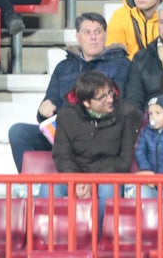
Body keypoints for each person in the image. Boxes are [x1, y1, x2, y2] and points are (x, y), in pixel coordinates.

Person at [7, 13, 129, 169]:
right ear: (78, 36)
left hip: (99, 133)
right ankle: (30, 186)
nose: (93, 37)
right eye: (87, 32)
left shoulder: (121, 64)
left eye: (98, 32)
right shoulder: (64, 67)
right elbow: (49, 103)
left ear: (105, 36)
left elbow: (119, 103)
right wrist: (45, 110)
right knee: (18, 133)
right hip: (64, 133)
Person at [50, 70, 142, 200]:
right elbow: (62, 156)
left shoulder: (127, 114)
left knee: (107, 188)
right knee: (49, 188)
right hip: (77, 175)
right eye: (102, 97)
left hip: (108, 176)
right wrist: (78, 180)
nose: (110, 99)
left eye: (110, 93)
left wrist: (91, 178)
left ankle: (102, 221)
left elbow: (124, 161)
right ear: (86, 103)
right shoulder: (66, 117)